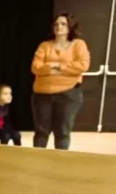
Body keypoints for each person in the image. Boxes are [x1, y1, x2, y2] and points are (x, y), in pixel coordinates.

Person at [30, 13, 90, 150]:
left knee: (62, 131)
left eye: (63, 24)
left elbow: (82, 66)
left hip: (68, 94)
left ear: (70, 26)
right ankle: (37, 160)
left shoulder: (78, 45)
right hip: (42, 94)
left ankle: (59, 161)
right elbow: (35, 68)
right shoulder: (45, 46)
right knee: (41, 131)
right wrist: (60, 69)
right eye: (56, 24)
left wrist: (57, 66)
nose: (59, 27)